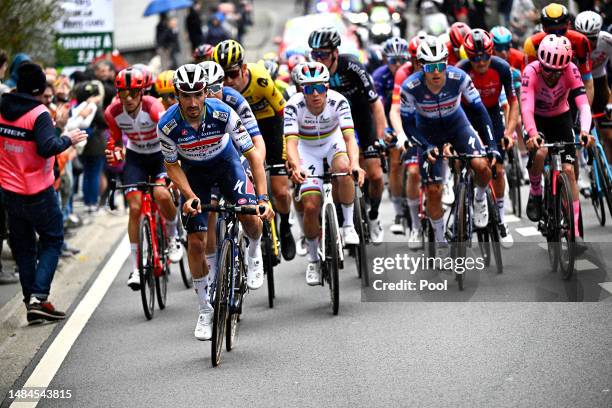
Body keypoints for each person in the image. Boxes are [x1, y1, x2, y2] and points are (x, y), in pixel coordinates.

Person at [157, 64, 274, 340]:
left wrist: (263, 199)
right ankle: (204, 309)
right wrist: (189, 196)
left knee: (249, 217)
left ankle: (254, 250)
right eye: (186, 96)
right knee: (196, 241)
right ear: (177, 95)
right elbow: (172, 166)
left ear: (205, 91)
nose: (193, 102)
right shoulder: (167, 125)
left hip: (226, 165)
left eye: (198, 94)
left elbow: (254, 156)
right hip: (193, 173)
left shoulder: (223, 113)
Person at [0, 63, 88, 322]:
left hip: (10, 192)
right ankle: (39, 296)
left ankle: (32, 303)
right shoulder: (38, 113)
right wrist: (68, 138)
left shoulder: (3, 108)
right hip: (38, 191)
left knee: (24, 248)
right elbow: (48, 146)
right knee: (52, 240)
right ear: (39, 89)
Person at [400, 36, 497, 245]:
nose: (435, 72)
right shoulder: (410, 87)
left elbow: (480, 111)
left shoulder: (459, 77)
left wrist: (492, 145)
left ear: (446, 63)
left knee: (482, 165)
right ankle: (440, 237)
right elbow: (407, 124)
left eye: (440, 66)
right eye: (429, 67)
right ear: (420, 66)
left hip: (458, 126)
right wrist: (425, 146)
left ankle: (479, 199)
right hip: (428, 133)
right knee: (434, 191)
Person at [213, 40, 296, 260]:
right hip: (240, 130)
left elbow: (284, 113)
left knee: (279, 190)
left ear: (243, 69)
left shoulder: (260, 78)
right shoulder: (219, 93)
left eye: (232, 74)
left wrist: (286, 153)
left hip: (268, 126)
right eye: (222, 77)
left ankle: (285, 227)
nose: (228, 81)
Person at [285, 62, 365, 285]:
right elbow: (291, 143)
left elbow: (349, 138)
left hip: (332, 143)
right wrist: (296, 165)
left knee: (344, 168)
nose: (316, 94)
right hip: (306, 149)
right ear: (302, 90)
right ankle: (312, 259)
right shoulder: (293, 106)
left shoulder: (338, 101)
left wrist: (355, 164)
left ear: (327, 87)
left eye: (320, 88)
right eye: (309, 89)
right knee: (310, 206)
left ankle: (348, 225)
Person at [104, 67, 183, 290]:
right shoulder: (112, 112)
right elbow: (116, 141)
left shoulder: (154, 108)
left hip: (159, 155)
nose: (128, 99)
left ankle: (173, 235)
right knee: (135, 207)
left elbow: (171, 135)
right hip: (136, 157)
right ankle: (136, 268)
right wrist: (116, 151)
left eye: (133, 93)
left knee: (160, 193)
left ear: (142, 92)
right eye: (123, 93)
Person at [308, 27, 387, 244]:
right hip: (335, 127)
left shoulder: (352, 65)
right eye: (314, 54)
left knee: (376, 175)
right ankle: (343, 220)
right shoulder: (312, 73)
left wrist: (380, 137)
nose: (318, 59)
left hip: (361, 121)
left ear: (335, 52)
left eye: (322, 54)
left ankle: (374, 215)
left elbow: (375, 104)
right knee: (338, 174)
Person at [521, 34, 594, 245]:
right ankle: (535, 192)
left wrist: (585, 131)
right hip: (537, 119)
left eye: (557, 72)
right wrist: (533, 134)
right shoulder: (530, 72)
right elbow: (526, 108)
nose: (552, 75)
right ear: (540, 62)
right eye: (548, 69)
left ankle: (576, 232)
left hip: (561, 117)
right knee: (542, 152)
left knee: (570, 171)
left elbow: (582, 105)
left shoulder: (571, 70)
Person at [197, 60, 265, 288]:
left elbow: (256, 142)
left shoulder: (234, 100)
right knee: (208, 215)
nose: (212, 93)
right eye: (206, 89)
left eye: (216, 87)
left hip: (238, 157)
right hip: (207, 164)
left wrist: (255, 170)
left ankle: (255, 251)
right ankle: (214, 271)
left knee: (248, 214)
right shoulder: (193, 109)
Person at [457, 29, 519, 248]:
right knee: (461, 161)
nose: (481, 61)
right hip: (466, 117)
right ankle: (462, 205)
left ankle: (501, 220)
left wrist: (509, 133)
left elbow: (513, 103)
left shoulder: (502, 68)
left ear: (491, 53)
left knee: (498, 169)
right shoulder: (460, 70)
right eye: (474, 57)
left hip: (492, 115)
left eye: (485, 56)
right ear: (468, 56)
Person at [373, 37, 411, 234]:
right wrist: (386, 130)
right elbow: (378, 108)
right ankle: (398, 210)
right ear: (385, 60)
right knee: (395, 164)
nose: (397, 65)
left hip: (408, 118)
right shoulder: (379, 76)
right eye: (392, 61)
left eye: (401, 60)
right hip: (388, 119)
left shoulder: (409, 74)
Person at [389, 35, 424, 249]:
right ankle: (416, 227)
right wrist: (401, 134)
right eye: (416, 60)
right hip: (412, 123)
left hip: (436, 121)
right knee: (412, 172)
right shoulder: (404, 73)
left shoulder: (438, 70)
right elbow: (394, 109)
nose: (420, 65)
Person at [523, 3, 594, 104]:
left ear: (569, 25)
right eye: (552, 31)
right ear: (543, 28)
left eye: (561, 30)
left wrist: (587, 110)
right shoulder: (532, 44)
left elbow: (587, 81)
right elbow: (527, 85)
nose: (557, 34)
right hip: (543, 93)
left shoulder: (581, 41)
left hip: (571, 89)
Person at [574, 11, 612, 163]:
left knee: (608, 135)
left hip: (598, 81)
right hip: (576, 84)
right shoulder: (569, 42)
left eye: (592, 39)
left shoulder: (608, 41)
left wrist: (610, 103)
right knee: (573, 136)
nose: (588, 44)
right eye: (584, 39)